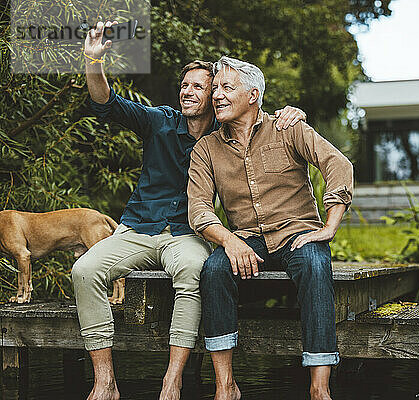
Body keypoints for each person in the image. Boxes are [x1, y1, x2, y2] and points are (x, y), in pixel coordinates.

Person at [73, 22, 306, 400]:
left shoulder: (226, 132)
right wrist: (93, 61)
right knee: (84, 269)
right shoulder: (159, 122)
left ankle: (173, 379)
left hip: (187, 235)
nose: (188, 92)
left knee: (194, 271)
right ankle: (105, 382)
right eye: (185, 86)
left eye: (199, 86)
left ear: (215, 94)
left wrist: (292, 112)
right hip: (138, 228)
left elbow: (259, 114)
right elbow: (106, 102)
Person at [187, 56, 354, 400]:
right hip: (247, 241)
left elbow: (337, 163)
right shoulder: (206, 149)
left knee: (315, 264)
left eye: (226, 87)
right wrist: (229, 241)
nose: (216, 95)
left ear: (253, 95)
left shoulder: (288, 127)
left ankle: (319, 388)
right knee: (214, 270)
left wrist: (330, 226)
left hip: (297, 233)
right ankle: (225, 386)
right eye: (214, 88)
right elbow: (199, 207)